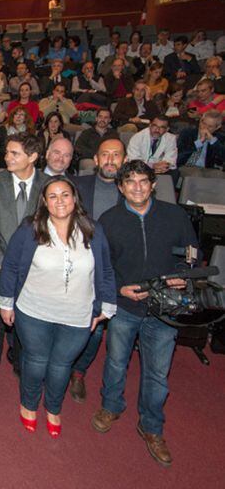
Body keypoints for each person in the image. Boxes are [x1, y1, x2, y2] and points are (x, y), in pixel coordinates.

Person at [92, 160, 198, 467]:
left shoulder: (175, 215)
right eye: (130, 182)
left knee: (157, 373)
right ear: (121, 187)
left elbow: (192, 253)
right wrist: (120, 289)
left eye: (143, 181)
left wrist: (183, 274)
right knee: (115, 362)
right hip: (126, 307)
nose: (137, 187)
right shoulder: (108, 221)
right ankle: (111, 406)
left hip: (164, 308)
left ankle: (152, 426)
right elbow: (102, 266)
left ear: (153, 184)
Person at [0, 176, 116, 437]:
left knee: (61, 365)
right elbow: (11, 266)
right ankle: (29, 404)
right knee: (37, 361)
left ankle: (53, 407)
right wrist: (6, 303)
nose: (59, 201)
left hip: (77, 314)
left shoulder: (93, 231)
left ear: (75, 198)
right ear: (44, 201)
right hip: (33, 310)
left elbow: (106, 270)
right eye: (53, 196)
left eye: (65, 194)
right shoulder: (30, 229)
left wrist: (106, 308)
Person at [0, 133, 48, 392]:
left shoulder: (49, 185)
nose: (7, 157)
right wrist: (2, 261)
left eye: (14, 153)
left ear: (32, 157)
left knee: (26, 321)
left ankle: (20, 362)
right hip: (0, 266)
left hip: (36, 269)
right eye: (6, 152)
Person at [68, 138, 126, 402]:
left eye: (116, 155)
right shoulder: (78, 186)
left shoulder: (131, 191)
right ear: (96, 159)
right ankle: (60, 365)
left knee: (96, 328)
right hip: (76, 268)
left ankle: (78, 372)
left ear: (124, 160)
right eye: (105, 155)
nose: (111, 160)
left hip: (111, 272)